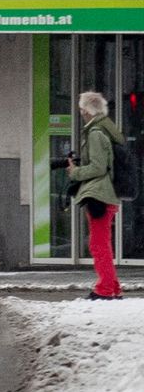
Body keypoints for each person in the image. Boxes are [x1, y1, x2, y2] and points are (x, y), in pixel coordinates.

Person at [77, 90, 125, 302]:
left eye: (81, 109)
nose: (81, 113)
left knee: (98, 245)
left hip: (100, 194)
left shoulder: (95, 133)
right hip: (105, 194)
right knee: (102, 243)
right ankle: (112, 287)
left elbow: (98, 167)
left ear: (87, 110)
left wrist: (76, 172)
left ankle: (104, 289)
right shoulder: (105, 129)